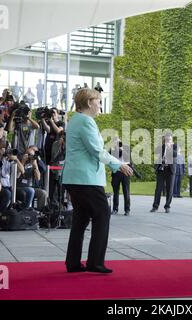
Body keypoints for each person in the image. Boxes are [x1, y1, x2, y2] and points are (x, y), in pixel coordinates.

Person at [62, 88, 133, 274]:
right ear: (88, 103)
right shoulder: (86, 122)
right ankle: (95, 262)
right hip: (85, 179)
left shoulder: (76, 121)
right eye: (98, 101)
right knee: (102, 213)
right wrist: (119, 164)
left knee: (81, 219)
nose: (100, 105)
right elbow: (97, 151)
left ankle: (73, 263)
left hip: (75, 177)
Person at [150, 133, 177, 213]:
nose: (168, 141)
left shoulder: (175, 146)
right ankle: (155, 206)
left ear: (172, 140)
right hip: (161, 169)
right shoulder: (162, 146)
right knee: (158, 189)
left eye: (169, 139)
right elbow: (155, 152)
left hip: (170, 170)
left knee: (169, 189)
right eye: (166, 139)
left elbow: (175, 154)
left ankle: (167, 206)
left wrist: (169, 147)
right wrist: (163, 145)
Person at [109, 137, 131, 216]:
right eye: (115, 142)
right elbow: (110, 160)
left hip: (125, 173)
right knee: (116, 192)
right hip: (116, 172)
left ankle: (127, 209)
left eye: (119, 142)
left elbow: (127, 158)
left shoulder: (126, 149)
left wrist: (122, 148)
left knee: (126, 191)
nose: (117, 144)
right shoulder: (111, 150)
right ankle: (115, 209)